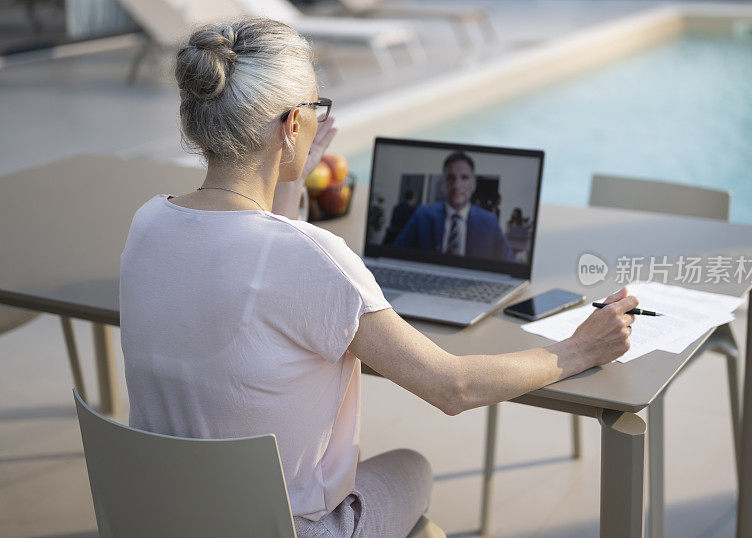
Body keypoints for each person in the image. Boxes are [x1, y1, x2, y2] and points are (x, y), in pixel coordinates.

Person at [119, 17, 638, 538]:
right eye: (315, 110)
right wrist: (577, 350)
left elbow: (255, 256)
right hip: (292, 531)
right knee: (413, 466)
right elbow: (451, 386)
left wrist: (287, 173)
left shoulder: (148, 224)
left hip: (164, 519)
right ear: (291, 126)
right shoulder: (315, 259)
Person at [393, 152, 515, 262]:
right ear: (444, 182)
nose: (457, 185)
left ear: (474, 184)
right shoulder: (423, 215)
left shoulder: (489, 222)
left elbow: (510, 265)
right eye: (451, 178)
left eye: (464, 178)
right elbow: (394, 254)